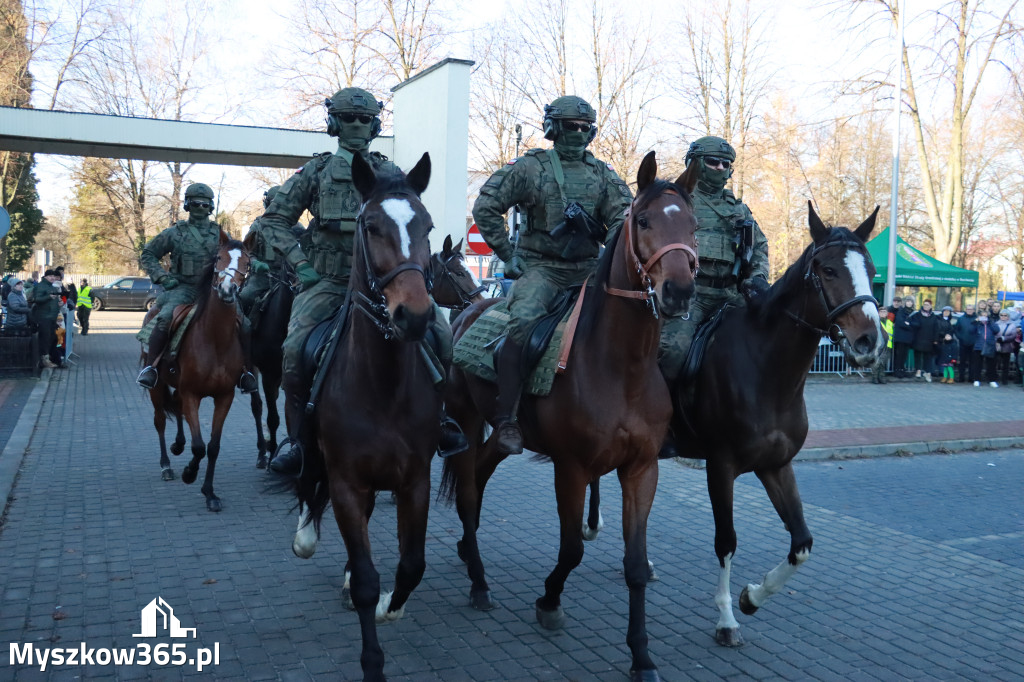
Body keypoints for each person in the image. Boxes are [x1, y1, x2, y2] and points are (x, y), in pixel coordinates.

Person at [260, 87, 467, 474]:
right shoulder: (317, 172)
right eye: (349, 119)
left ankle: (439, 419)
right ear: (334, 124)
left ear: (375, 126)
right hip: (327, 281)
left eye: (365, 120)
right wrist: (302, 265)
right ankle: (297, 440)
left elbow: (411, 222)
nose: (357, 126)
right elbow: (272, 220)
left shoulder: (390, 173)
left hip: (383, 285)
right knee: (293, 349)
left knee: (440, 332)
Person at [472, 95, 633, 455]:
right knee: (523, 322)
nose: (577, 133)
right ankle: (507, 419)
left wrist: (611, 250)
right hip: (540, 268)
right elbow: (486, 206)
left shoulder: (602, 174)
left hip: (588, 269)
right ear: (553, 128)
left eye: (584, 127)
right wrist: (508, 255)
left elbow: (623, 218)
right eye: (570, 126)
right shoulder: (531, 168)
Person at [658, 136, 770, 384]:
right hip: (691, 296)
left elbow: (760, 246)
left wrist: (758, 277)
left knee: (769, 342)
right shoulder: (679, 202)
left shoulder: (739, 209)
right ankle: (663, 412)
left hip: (732, 295)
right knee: (673, 352)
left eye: (725, 164)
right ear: (695, 163)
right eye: (713, 162)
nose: (720, 168)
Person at [136, 183, 258, 394]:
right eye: (195, 203)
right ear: (187, 205)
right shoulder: (174, 233)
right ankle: (151, 368)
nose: (200, 208)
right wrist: (163, 278)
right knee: (165, 317)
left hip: (213, 291)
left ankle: (245, 372)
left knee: (244, 323)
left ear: (210, 207)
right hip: (182, 288)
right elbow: (148, 254)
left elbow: (235, 260)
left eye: (204, 204)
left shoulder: (221, 236)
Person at [238, 185, 305, 317]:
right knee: (245, 297)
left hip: (292, 278)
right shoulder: (258, 226)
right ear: (267, 204)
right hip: (263, 277)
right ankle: (242, 331)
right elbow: (245, 250)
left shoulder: (298, 228)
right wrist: (255, 262)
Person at [31, 269, 61, 368]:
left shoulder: (52, 287)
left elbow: (53, 301)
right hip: (44, 317)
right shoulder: (40, 286)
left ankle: (53, 359)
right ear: (45, 277)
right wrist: (48, 297)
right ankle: (44, 360)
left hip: (52, 317)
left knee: (52, 339)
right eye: (50, 276)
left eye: (53, 276)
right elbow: (37, 299)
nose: (52, 278)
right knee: (45, 339)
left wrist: (59, 304)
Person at [909, 298, 939, 381]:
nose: (926, 306)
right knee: (918, 356)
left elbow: (936, 329)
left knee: (928, 358)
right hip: (918, 339)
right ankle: (918, 371)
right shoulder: (917, 315)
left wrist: (935, 339)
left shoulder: (933, 317)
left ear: (931, 306)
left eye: (927, 305)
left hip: (929, 340)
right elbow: (912, 324)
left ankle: (927, 373)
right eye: (925, 304)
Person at [971, 307, 998, 387]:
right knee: (977, 364)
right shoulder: (978, 324)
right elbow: (971, 330)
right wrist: (976, 321)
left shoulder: (991, 323)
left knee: (991, 365)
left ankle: (992, 380)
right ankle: (976, 379)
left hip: (989, 346)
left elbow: (996, 330)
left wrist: (990, 322)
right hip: (979, 346)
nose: (984, 317)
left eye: (985, 316)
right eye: (982, 316)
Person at [892, 295, 916, 378]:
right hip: (900, 337)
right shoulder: (901, 311)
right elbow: (900, 322)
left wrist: (908, 324)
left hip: (908, 338)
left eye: (911, 301)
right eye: (908, 301)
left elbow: (915, 324)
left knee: (904, 355)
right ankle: (897, 370)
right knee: (899, 355)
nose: (909, 303)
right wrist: (909, 325)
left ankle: (902, 369)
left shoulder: (913, 312)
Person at [993, 309, 1018, 386]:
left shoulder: (1012, 325)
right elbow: (993, 333)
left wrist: (1004, 338)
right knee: (995, 363)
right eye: (1001, 315)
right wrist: (997, 339)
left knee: (1005, 365)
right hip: (997, 345)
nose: (1003, 317)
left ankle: (1004, 379)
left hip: (1007, 346)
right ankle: (994, 378)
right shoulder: (995, 323)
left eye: (1005, 315)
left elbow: (1013, 335)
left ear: (1008, 316)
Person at [953, 302, 976, 382]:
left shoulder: (977, 319)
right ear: (966, 310)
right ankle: (961, 377)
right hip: (963, 343)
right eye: (968, 309)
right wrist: (960, 337)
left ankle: (971, 378)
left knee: (972, 362)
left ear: (974, 310)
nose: (969, 311)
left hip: (974, 343)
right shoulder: (961, 319)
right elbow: (956, 330)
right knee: (962, 361)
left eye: (971, 309)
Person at [935, 306, 958, 383]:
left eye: (948, 311)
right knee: (943, 363)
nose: (946, 313)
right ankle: (944, 376)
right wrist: (944, 335)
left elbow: (952, 330)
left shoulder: (952, 321)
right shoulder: (939, 319)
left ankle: (951, 378)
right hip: (942, 341)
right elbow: (938, 329)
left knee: (949, 365)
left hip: (949, 343)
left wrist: (949, 336)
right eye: (945, 311)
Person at [872, 304, 894, 384]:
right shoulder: (876, 322)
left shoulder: (890, 323)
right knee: (877, 362)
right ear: (878, 313)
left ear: (887, 313)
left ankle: (881, 377)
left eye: (884, 312)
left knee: (883, 362)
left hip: (888, 345)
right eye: (881, 312)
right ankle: (875, 377)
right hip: (878, 345)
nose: (883, 313)